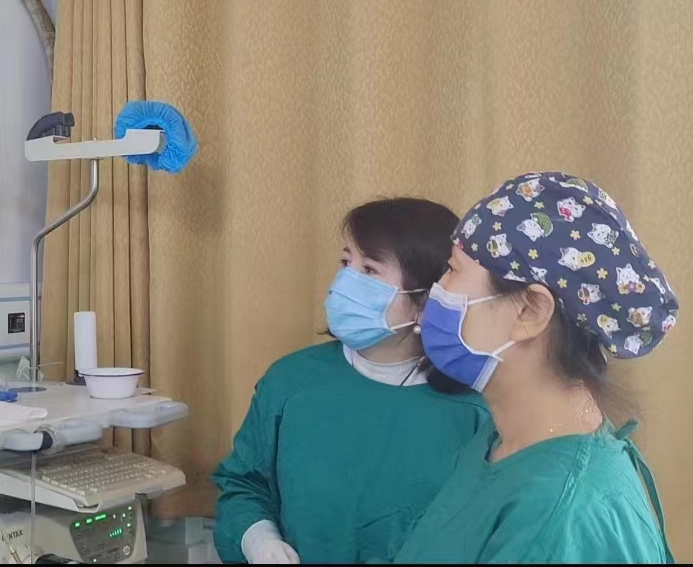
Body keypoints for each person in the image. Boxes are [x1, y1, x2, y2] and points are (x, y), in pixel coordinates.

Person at [392, 172, 676, 563]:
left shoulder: (563, 518)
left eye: (453, 270)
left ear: (530, 311)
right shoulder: (506, 440)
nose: (436, 291)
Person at [213, 198, 492, 564]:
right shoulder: (291, 381)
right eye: (346, 263)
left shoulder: (476, 411)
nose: (346, 281)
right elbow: (243, 484)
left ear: (426, 301)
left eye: (370, 269)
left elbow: (489, 530)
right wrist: (257, 538)